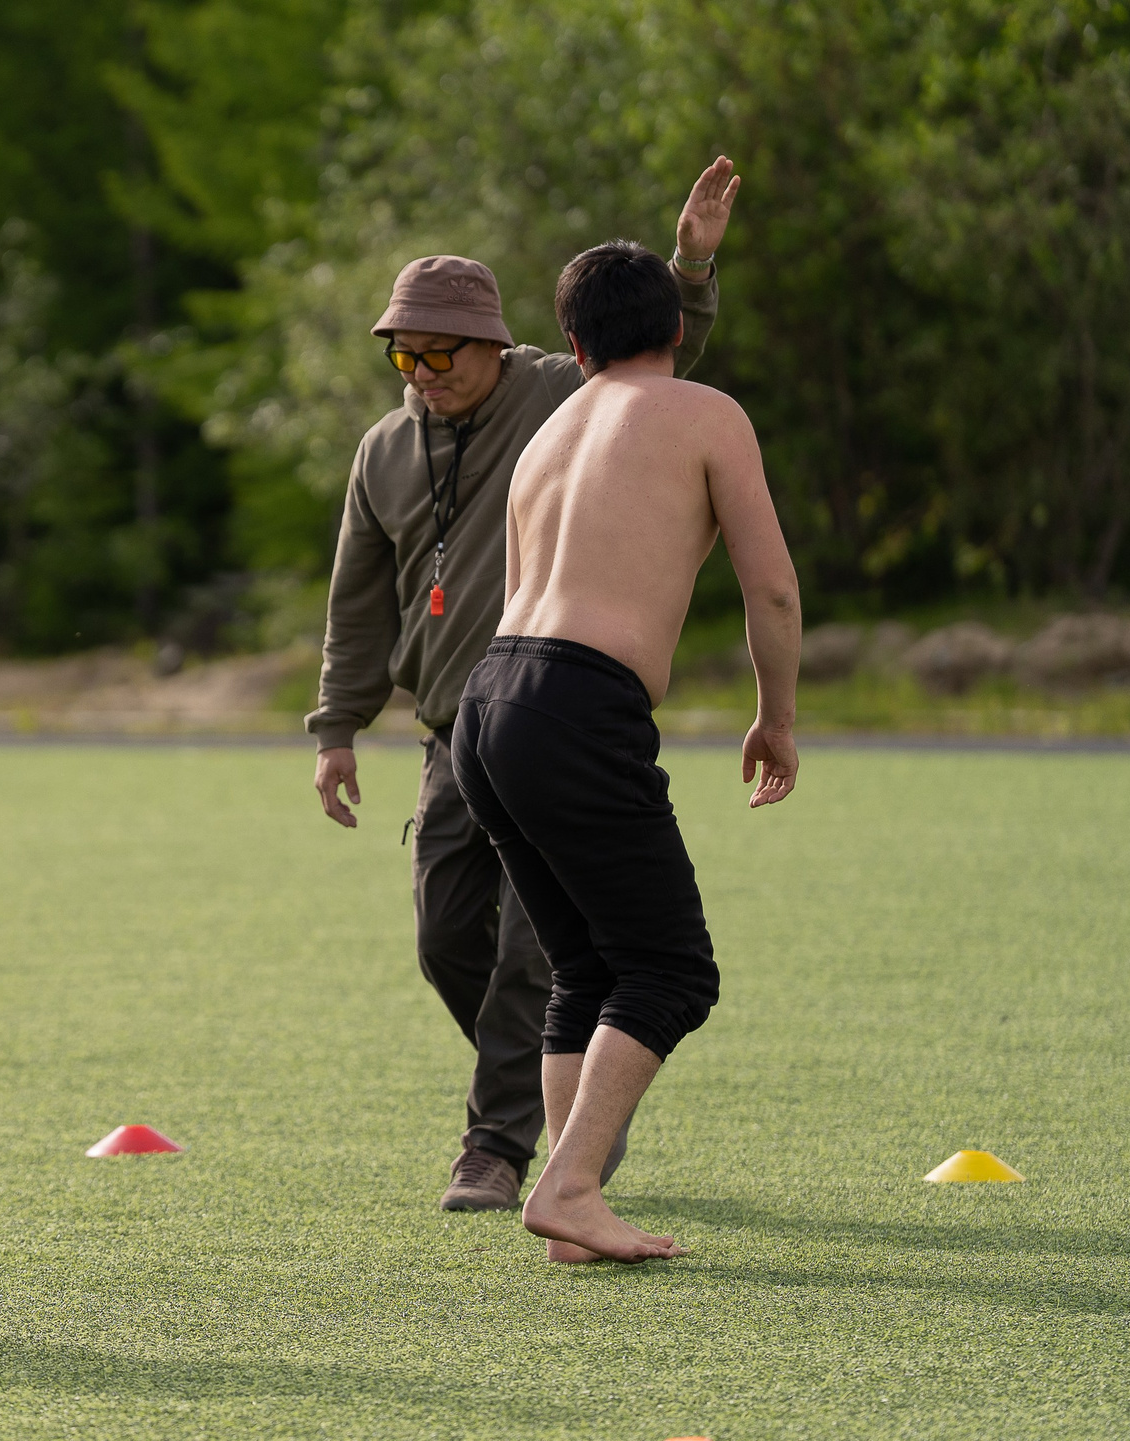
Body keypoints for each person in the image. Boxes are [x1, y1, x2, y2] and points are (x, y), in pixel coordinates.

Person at [310, 159, 741, 1211]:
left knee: (528, 957)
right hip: (452, 738)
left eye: (437, 350)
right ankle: (573, 1107)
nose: (418, 369)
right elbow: (357, 600)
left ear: (494, 344)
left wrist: (688, 262)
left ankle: (498, 1148)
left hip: (552, 712)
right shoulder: (381, 452)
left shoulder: (559, 392)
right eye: (401, 354)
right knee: (446, 938)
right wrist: (335, 725)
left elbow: (656, 362)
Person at [450, 238, 801, 1263]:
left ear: (570, 343)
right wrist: (775, 715)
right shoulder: (707, 413)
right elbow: (770, 586)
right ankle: (566, 1187)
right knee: (671, 969)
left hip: (488, 702)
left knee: (585, 967)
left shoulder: (548, 430)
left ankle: (574, 1211)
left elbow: (519, 591)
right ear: (680, 331)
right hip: (574, 705)